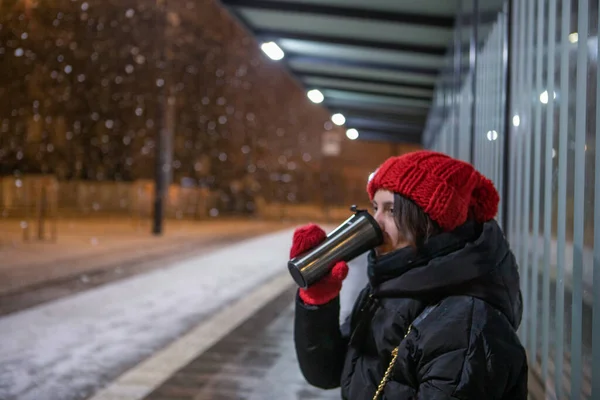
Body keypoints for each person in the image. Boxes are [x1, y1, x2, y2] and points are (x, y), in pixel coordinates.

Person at [291, 150, 527, 399]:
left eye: (391, 210)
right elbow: (328, 372)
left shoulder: (466, 325)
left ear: (430, 221)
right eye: (375, 207)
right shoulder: (390, 287)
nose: (375, 221)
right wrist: (318, 302)